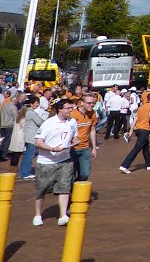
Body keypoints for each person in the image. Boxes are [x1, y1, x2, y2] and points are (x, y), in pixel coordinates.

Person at [32, 98, 78, 226]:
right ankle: (37, 214)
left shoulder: (72, 122)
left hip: (65, 160)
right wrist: (53, 148)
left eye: (71, 107)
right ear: (60, 109)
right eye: (68, 108)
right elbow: (38, 141)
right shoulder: (49, 123)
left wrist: (74, 141)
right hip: (46, 161)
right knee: (41, 190)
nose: (71, 110)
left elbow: (75, 135)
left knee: (65, 188)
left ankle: (63, 215)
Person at [119, 90, 150, 173]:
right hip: (145, 129)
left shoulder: (141, 107)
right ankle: (124, 165)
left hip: (138, 129)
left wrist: (131, 130)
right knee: (136, 149)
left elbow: (135, 119)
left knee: (145, 147)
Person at [70, 92, 98, 181]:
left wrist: (93, 147)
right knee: (71, 172)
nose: (92, 105)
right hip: (72, 148)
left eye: (93, 103)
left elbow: (92, 130)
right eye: (89, 103)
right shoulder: (72, 114)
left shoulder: (92, 113)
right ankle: (70, 191)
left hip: (85, 147)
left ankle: (77, 187)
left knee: (85, 173)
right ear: (82, 103)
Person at [19, 96, 47, 180]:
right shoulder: (31, 113)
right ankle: (25, 173)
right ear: (31, 104)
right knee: (29, 155)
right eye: (36, 103)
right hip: (31, 137)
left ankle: (24, 172)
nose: (37, 105)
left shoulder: (29, 112)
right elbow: (39, 122)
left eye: (38, 103)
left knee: (28, 154)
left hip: (29, 136)